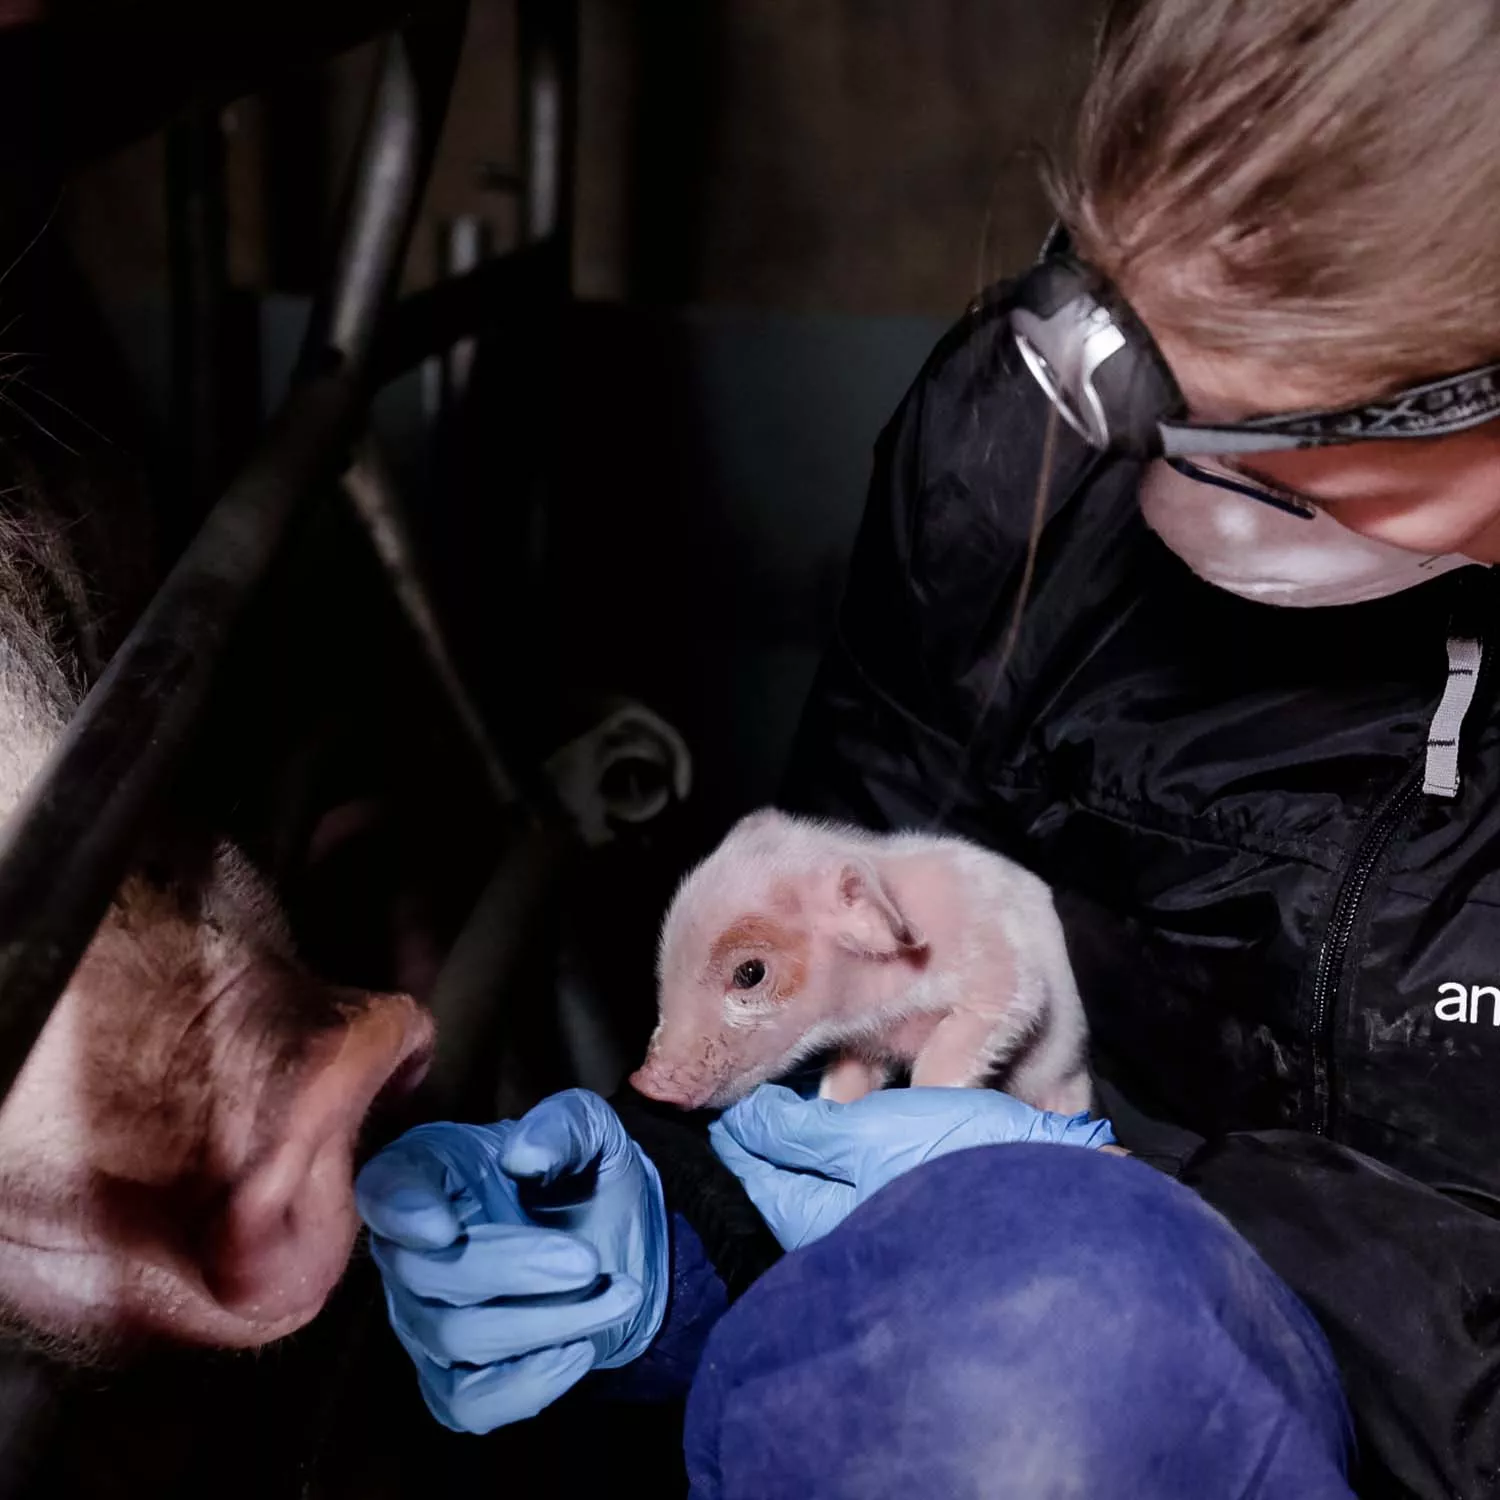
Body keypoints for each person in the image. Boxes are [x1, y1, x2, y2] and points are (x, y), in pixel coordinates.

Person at [355, 1, 1500, 1495]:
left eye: (1266, 444)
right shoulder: (1029, 454)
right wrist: (669, 1231)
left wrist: (1106, 1225)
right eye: (1124, 348)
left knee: (1051, 1380)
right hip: (1052, 1328)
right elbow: (851, 977)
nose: (1145, 461)